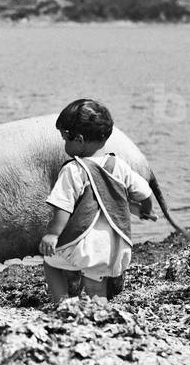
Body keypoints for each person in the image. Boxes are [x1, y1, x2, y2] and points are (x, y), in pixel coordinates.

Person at [39, 99, 156, 302]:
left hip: (83, 247)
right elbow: (145, 193)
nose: (64, 144)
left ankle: (62, 304)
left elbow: (63, 206)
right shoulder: (118, 165)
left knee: (51, 263)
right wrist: (146, 210)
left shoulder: (74, 170)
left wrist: (52, 234)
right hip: (115, 248)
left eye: (65, 139)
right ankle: (98, 304)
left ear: (79, 139)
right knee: (95, 282)